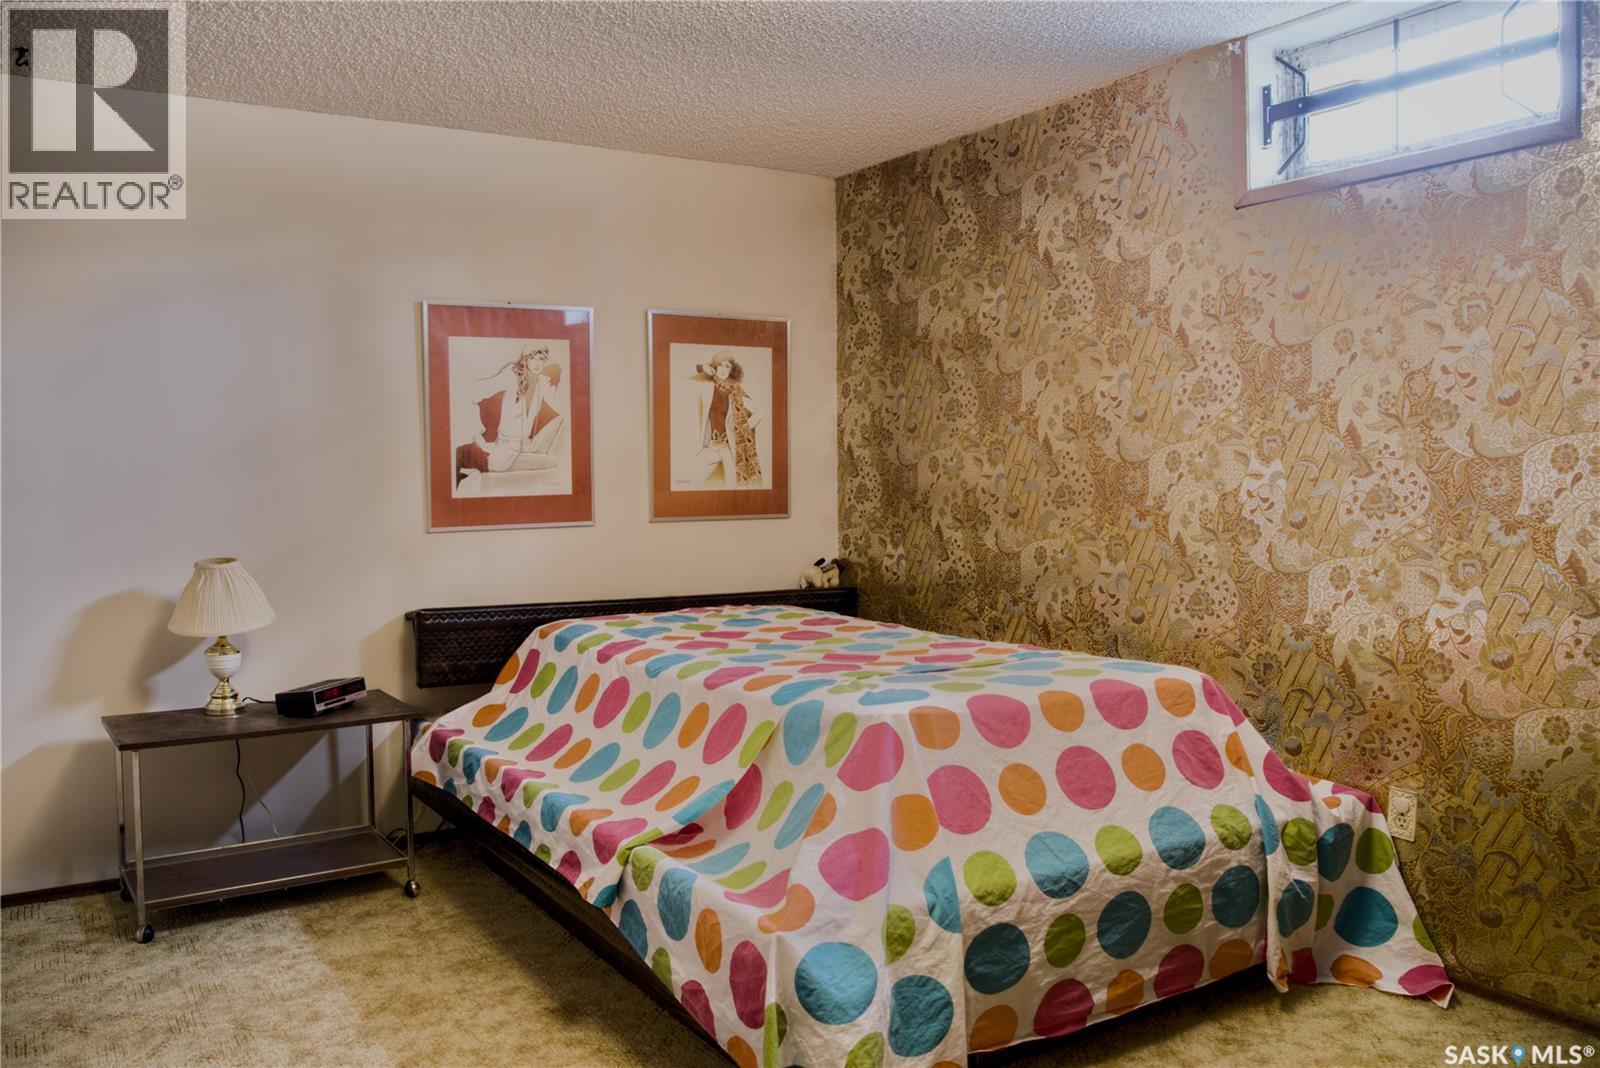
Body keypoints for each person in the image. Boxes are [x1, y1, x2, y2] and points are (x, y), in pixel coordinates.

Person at [455, 346, 564, 489]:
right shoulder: (511, 376)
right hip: (503, 453)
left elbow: (561, 408)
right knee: (556, 465)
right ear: (525, 358)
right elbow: (470, 393)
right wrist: (477, 435)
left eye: (542, 359)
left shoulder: (543, 383)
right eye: (532, 358)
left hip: (526, 448)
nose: (537, 364)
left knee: (558, 463)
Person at [686, 353, 762, 487]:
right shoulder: (706, 387)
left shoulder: (736, 391)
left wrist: (743, 425)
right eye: (720, 365)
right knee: (687, 476)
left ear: (732, 370)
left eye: (727, 366)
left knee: (732, 487)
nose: (722, 369)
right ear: (714, 367)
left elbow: (759, 412)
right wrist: (701, 367)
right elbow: (679, 377)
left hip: (731, 448)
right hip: (712, 445)